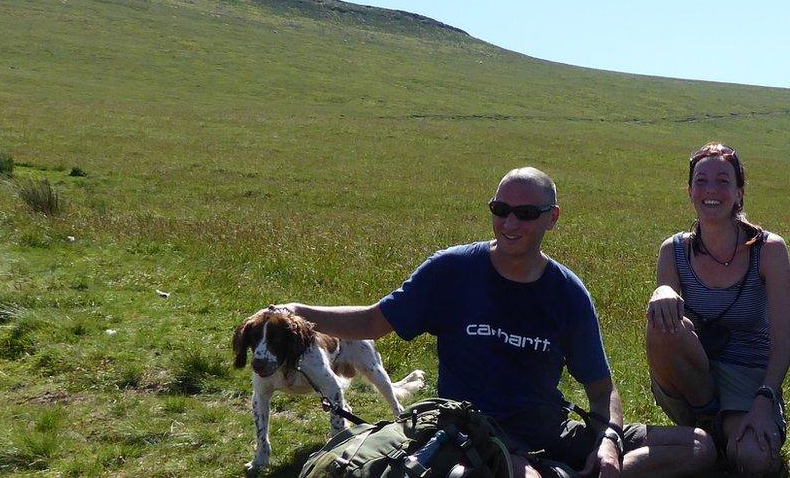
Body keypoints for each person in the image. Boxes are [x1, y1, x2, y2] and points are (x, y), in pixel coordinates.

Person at [282, 167, 715, 477]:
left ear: (552, 218)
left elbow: (602, 389)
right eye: (500, 208)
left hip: (549, 425)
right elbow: (374, 321)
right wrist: (298, 311)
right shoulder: (451, 270)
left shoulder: (567, 292)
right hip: (470, 429)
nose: (510, 222)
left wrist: (609, 442)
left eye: (526, 214)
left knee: (699, 446)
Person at [646, 142, 790, 475]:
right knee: (662, 321)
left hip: (749, 379)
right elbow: (666, 324)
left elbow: (783, 343)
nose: (711, 190)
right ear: (690, 191)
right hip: (696, 378)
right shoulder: (674, 250)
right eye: (702, 181)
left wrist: (766, 398)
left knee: (755, 461)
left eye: (723, 181)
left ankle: (712, 439)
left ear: (739, 193)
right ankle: (710, 425)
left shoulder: (769, 250)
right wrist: (663, 290)